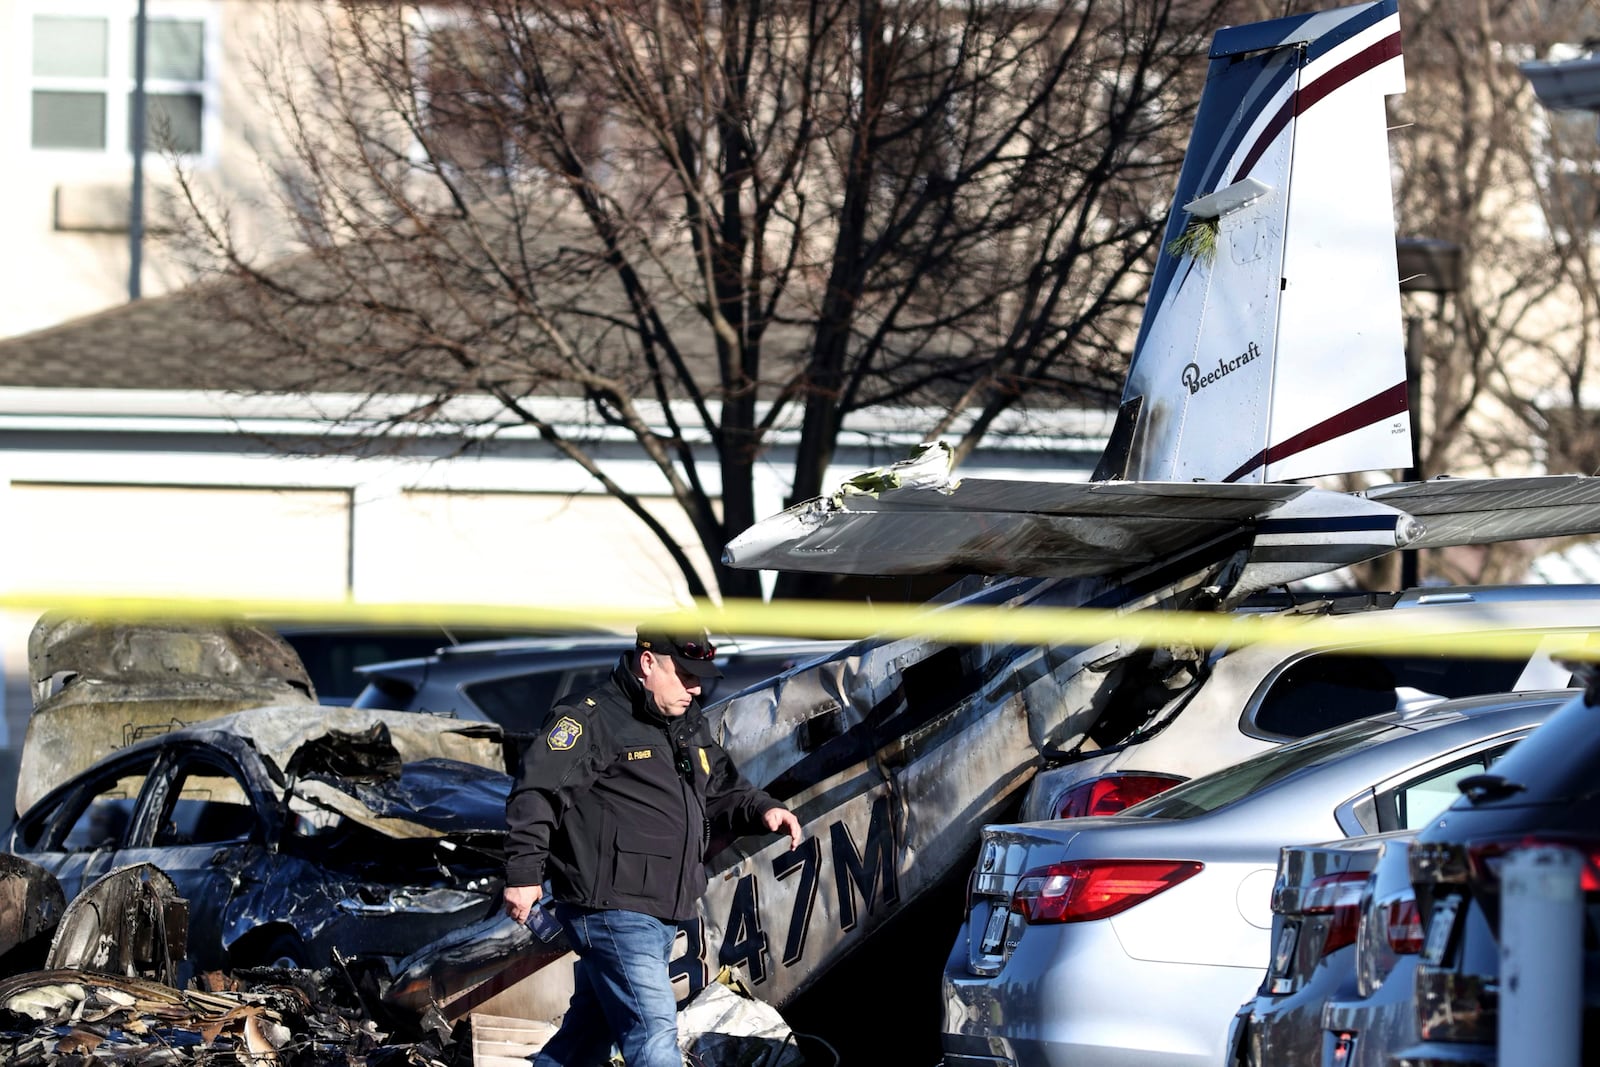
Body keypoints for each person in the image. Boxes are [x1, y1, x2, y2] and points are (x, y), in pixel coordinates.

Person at [503, 625, 803, 1067]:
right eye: (685, 675)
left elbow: (720, 785)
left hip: (660, 905)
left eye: (700, 676)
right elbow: (536, 792)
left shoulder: (684, 722)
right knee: (653, 1033)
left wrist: (762, 808)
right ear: (648, 663)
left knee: (586, 1037)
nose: (696, 687)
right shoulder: (591, 718)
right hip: (611, 908)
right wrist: (524, 874)